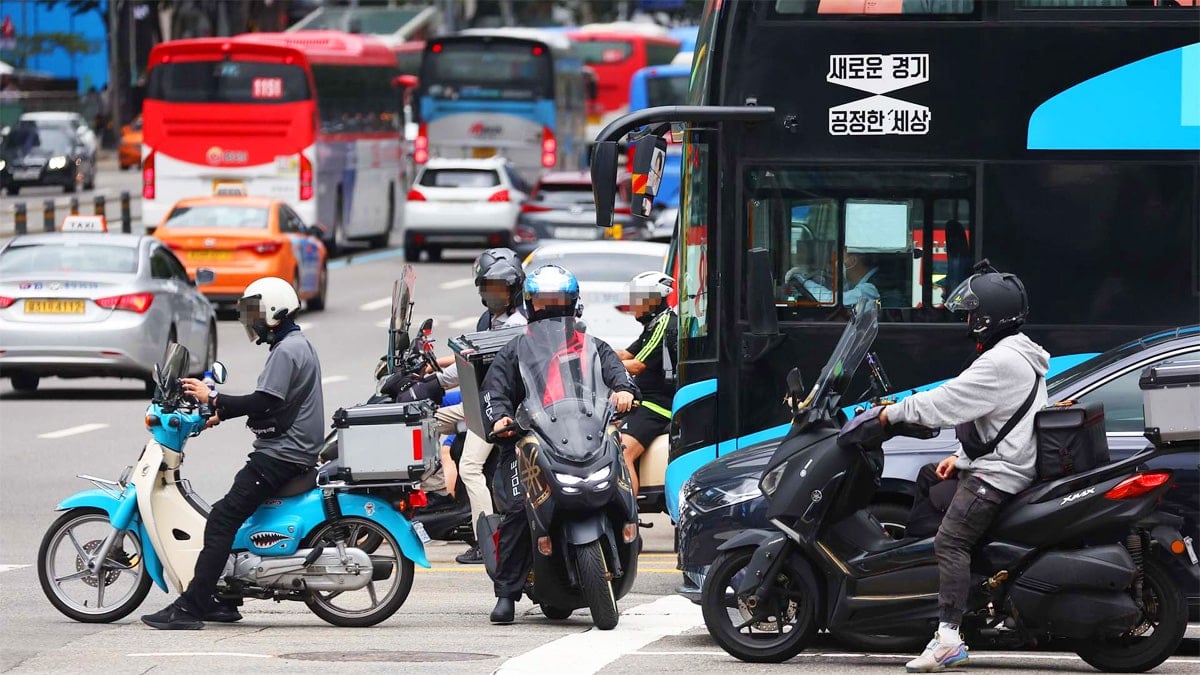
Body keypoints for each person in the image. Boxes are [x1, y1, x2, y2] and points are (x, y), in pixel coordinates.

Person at [876, 262, 1048, 672]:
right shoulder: (1019, 351)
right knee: (927, 478)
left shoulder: (1000, 361)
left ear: (990, 316)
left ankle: (949, 637)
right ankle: (923, 581)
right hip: (1001, 462)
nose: (968, 322)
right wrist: (961, 457)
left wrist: (891, 414)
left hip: (998, 475)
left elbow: (946, 401)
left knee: (950, 542)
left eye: (973, 314)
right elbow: (1000, 417)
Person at [141, 277, 324, 630]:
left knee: (222, 519)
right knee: (231, 517)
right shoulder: (296, 345)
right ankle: (222, 600)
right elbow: (275, 405)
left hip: (280, 456)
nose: (251, 322)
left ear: (273, 311)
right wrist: (220, 414)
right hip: (291, 451)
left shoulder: (286, 351)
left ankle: (192, 607)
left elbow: (264, 401)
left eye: (255, 314)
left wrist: (213, 398)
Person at [481, 264, 639, 624]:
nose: (551, 308)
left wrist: (624, 391)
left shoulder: (592, 346)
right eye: (544, 301)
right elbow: (494, 392)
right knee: (518, 510)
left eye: (559, 300)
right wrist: (500, 419)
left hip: (586, 434)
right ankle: (506, 593)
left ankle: (625, 537)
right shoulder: (516, 349)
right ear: (530, 303)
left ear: (573, 303)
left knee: (620, 487)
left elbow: (618, 374)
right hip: (529, 439)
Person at [422, 248, 528, 564]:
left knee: (469, 467)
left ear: (515, 289)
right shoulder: (488, 320)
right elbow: (469, 362)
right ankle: (436, 491)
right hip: (477, 402)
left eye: (501, 288)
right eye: (488, 287)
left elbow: (494, 371)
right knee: (425, 421)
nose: (494, 294)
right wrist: (432, 380)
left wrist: (440, 380)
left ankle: (487, 542)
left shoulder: (518, 325)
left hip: (501, 410)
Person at [614, 271, 678, 495]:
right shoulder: (653, 325)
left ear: (654, 300)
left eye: (637, 299)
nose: (633, 305)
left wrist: (605, 367)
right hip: (644, 401)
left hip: (656, 405)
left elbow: (637, 365)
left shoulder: (666, 325)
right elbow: (625, 354)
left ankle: (628, 511)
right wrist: (591, 352)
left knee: (623, 453)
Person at [792, 249, 880, 305]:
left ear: (853, 261)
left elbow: (830, 300)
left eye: (840, 258)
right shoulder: (855, 284)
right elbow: (840, 291)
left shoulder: (869, 289)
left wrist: (804, 281)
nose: (837, 263)